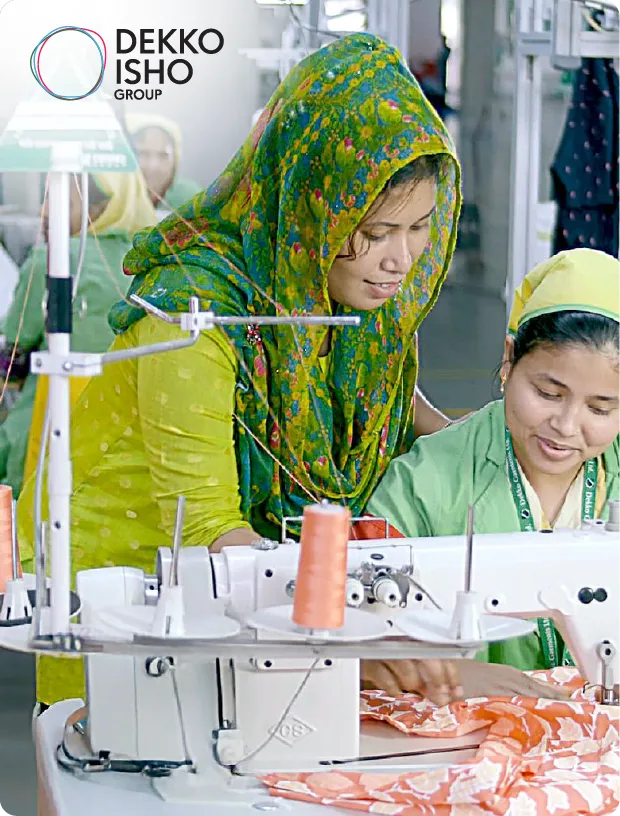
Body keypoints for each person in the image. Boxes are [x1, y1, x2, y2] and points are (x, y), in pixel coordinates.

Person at [18, 32, 461, 706]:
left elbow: (409, 422)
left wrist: (521, 440)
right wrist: (357, 644)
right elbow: (209, 534)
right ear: (312, 201)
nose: (399, 260)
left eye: (420, 227)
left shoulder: (343, 299)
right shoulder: (195, 310)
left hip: (250, 585)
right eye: (373, 233)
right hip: (133, 579)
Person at [363, 247, 620, 679]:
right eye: (548, 394)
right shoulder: (426, 480)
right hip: (466, 732)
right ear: (508, 359)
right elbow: (361, 625)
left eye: (600, 408)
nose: (566, 425)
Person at [0, 172, 156, 497]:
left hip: (44, 434)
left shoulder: (53, 259)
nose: (44, 213)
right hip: (122, 443)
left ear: (99, 209)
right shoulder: (147, 266)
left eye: (59, 202)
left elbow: (12, 354)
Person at [125, 112, 202, 214]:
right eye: (144, 153)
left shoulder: (191, 198)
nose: (153, 166)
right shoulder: (110, 196)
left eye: (163, 156)